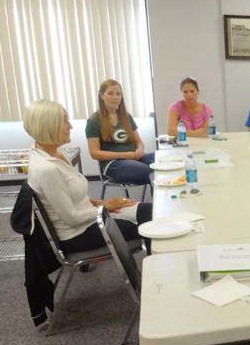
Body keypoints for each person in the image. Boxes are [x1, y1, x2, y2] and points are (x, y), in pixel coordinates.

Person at [26, 100, 152, 256]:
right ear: (48, 125)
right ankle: (155, 274)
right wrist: (105, 206)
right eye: (65, 120)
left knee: (150, 211)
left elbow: (74, 197)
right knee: (150, 223)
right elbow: (72, 218)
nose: (70, 126)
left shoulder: (56, 154)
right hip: (79, 233)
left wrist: (101, 202)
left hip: (91, 216)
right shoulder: (47, 169)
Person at [86, 79, 155, 185]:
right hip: (113, 164)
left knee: (162, 159)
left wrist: (140, 150)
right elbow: (94, 153)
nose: (115, 97)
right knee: (147, 170)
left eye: (118, 94)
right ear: (102, 95)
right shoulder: (94, 121)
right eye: (110, 93)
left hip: (134, 158)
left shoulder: (126, 116)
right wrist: (125, 155)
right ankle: (158, 199)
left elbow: (139, 142)